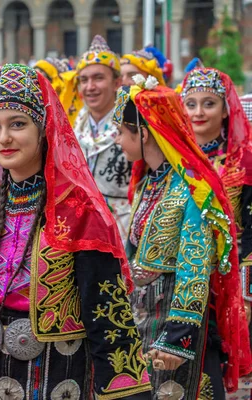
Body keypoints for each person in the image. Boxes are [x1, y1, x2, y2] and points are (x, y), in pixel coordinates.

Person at [0, 63, 151, 399]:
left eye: (17, 124)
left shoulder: (79, 210)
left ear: (43, 127)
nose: (3, 138)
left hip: (58, 373)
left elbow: (106, 315)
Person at [113, 77, 252, 397]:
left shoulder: (190, 188)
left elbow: (195, 264)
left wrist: (179, 338)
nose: (117, 139)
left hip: (175, 322)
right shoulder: (150, 182)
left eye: (122, 131)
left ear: (144, 133)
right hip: (144, 318)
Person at [73, 35, 131, 242]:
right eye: (84, 80)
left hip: (124, 227)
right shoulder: (74, 125)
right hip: (80, 226)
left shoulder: (132, 125)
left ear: (117, 83)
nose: (90, 87)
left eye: (98, 78)